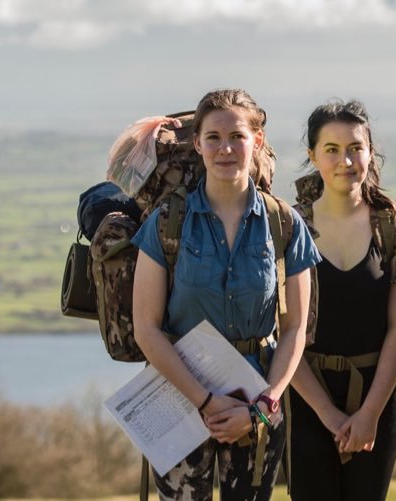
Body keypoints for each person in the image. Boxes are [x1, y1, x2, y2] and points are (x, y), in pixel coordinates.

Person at [131, 88, 321, 500]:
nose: (226, 148)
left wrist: (262, 407)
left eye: (237, 136)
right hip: (178, 398)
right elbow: (147, 329)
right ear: (197, 143)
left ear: (258, 141)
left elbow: (295, 329)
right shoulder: (166, 223)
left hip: (256, 403)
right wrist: (205, 402)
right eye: (213, 138)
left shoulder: (284, 224)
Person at [287, 99, 396, 500]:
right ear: (312, 156)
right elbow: (284, 331)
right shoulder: (291, 228)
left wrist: (369, 414)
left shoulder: (395, 227)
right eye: (331, 149)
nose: (345, 160)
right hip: (306, 401)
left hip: (378, 396)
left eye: (355, 148)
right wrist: (328, 415)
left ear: (370, 153)